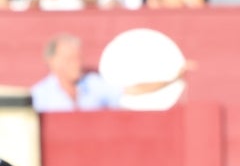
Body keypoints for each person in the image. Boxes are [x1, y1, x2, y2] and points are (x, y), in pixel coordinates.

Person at [30, 34, 188, 114]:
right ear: (53, 61)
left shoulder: (93, 84)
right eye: (70, 59)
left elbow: (134, 90)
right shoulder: (39, 94)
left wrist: (171, 79)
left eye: (78, 59)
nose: (77, 64)